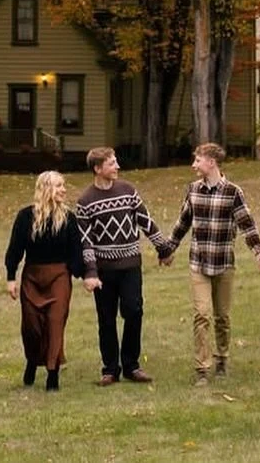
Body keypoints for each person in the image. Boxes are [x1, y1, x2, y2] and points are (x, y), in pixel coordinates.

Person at [160, 142, 260, 385]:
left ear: (211, 162)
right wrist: (168, 250)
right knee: (202, 314)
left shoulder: (233, 192)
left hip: (224, 264)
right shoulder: (193, 190)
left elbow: (247, 226)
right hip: (199, 262)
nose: (193, 165)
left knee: (222, 316)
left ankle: (222, 358)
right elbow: (183, 222)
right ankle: (202, 368)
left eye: (197, 160)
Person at [76, 147, 170, 385]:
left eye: (116, 162)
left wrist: (163, 248)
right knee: (106, 319)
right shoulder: (85, 201)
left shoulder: (128, 191)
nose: (117, 166)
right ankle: (110, 369)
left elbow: (145, 221)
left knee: (134, 310)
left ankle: (131, 365)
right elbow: (85, 241)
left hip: (130, 265)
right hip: (104, 271)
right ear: (98, 169)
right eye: (111, 163)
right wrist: (91, 271)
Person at [5, 170, 84, 391]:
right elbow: (14, 250)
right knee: (32, 327)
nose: (64, 190)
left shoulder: (69, 219)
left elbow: (76, 252)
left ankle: (52, 373)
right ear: (46, 189)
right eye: (59, 186)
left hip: (59, 276)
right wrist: (11, 277)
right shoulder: (25, 217)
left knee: (55, 324)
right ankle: (32, 360)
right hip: (32, 276)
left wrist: (87, 275)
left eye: (64, 185)